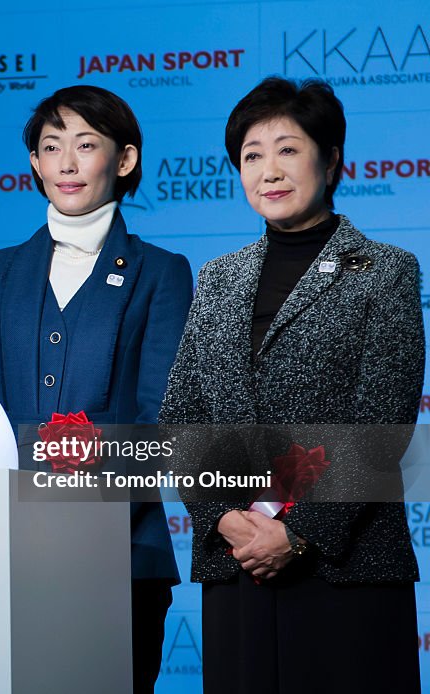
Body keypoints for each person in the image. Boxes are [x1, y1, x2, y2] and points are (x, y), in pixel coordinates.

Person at [159, 77, 422, 692]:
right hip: (239, 560)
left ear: (330, 161)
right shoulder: (219, 277)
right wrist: (224, 517)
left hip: (345, 565)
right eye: (252, 155)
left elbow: (381, 425)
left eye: (288, 150)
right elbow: (181, 416)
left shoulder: (384, 271)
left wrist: (299, 533)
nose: (269, 171)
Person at [0, 85, 190, 693]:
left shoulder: (161, 272)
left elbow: (160, 418)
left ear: (125, 159)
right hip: (9, 551)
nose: (66, 162)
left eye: (86, 145)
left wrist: (88, 509)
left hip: (124, 550)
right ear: (34, 163)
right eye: (51, 146)